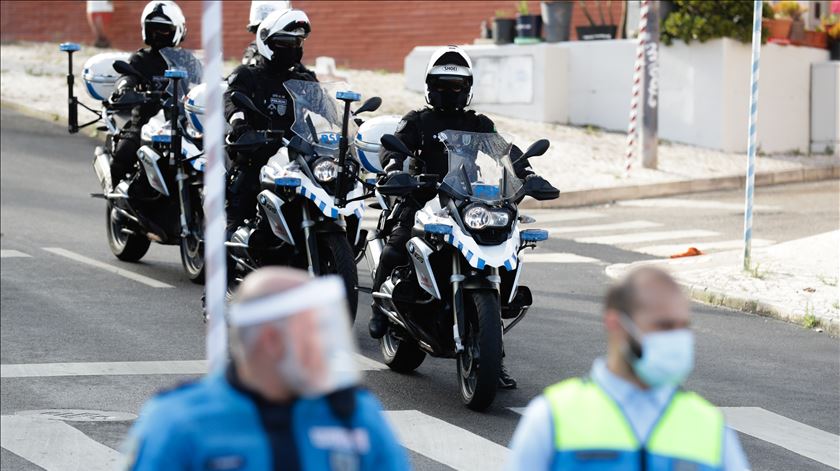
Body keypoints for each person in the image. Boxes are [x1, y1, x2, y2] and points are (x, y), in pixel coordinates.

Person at [369, 45, 559, 389]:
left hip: (466, 199)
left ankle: (493, 357)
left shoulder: (478, 124)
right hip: (424, 196)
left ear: (467, 89)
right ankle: (379, 312)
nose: (449, 91)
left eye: (456, 86)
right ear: (430, 85)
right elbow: (392, 145)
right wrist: (395, 167)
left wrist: (525, 172)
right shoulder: (417, 120)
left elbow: (503, 151)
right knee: (397, 245)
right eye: (442, 84)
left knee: (505, 251)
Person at [123, 267, 410, 470]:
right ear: (272, 341)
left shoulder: (354, 416)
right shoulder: (179, 422)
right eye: (312, 333)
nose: (326, 348)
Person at [505, 267, 750, 471]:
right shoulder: (552, 419)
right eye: (663, 326)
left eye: (683, 326)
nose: (676, 338)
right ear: (617, 325)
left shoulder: (710, 428)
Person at [224, 8, 317, 237]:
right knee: (240, 204)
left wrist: (347, 121)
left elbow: (324, 107)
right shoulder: (247, 75)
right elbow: (231, 100)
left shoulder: (304, 80)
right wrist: (240, 126)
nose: (293, 48)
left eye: (297, 42)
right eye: (286, 42)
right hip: (257, 153)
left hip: (297, 157)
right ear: (268, 42)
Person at [109, 0, 186, 186]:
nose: (157, 35)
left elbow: (204, 81)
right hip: (145, 122)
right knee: (123, 153)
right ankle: (119, 196)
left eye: (164, 30)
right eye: (153, 29)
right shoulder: (141, 59)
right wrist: (125, 88)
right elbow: (127, 75)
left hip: (182, 124)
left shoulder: (187, 60)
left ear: (178, 30)